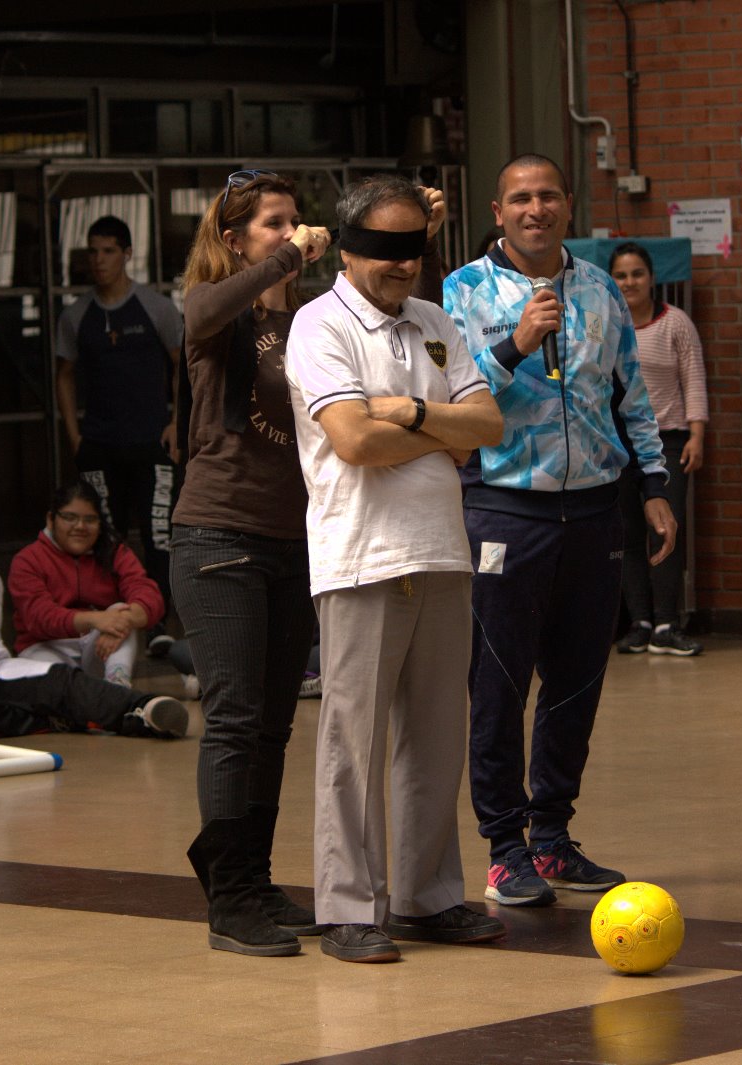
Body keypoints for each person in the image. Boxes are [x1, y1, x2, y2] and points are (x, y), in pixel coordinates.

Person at [442, 154, 677, 909]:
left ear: (568, 207)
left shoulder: (604, 289)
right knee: (501, 684)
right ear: (498, 209)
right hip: (506, 507)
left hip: (596, 509)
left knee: (576, 682)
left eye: (547, 196)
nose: (534, 209)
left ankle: (552, 839)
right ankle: (505, 846)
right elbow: (451, 392)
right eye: (519, 198)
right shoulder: (461, 291)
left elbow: (631, 397)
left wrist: (654, 487)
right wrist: (515, 342)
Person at [289, 174, 505, 962]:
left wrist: (407, 410)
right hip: (359, 556)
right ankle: (348, 903)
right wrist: (433, 431)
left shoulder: (437, 323)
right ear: (347, 249)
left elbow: (485, 424)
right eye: (384, 249)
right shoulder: (320, 327)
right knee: (355, 741)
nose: (401, 264)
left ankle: (427, 894)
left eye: (413, 248)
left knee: (438, 733)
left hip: (442, 549)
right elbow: (353, 441)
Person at [173, 168, 335, 958]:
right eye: (274, 223)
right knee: (234, 720)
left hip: (292, 538)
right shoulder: (217, 313)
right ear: (236, 239)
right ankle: (229, 897)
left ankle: (254, 877)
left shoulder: (305, 323)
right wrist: (279, 263)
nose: (291, 232)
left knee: (273, 725)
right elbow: (200, 307)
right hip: (218, 535)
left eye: (296, 221)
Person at [0, 503, 189, 741]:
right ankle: (58, 720)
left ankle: (145, 710)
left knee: (62, 680)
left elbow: (147, 593)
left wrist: (119, 618)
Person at [56, 216, 183, 651]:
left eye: (108, 250)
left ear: (127, 254)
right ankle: (109, 621)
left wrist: (176, 422)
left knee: (158, 535)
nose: (99, 260)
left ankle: (158, 623)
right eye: (93, 251)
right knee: (103, 536)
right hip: (100, 446)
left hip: (152, 443)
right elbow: (65, 375)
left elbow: (182, 368)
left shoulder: (156, 307)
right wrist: (75, 435)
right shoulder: (76, 315)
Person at [607, 243, 708, 656]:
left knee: (664, 531)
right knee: (627, 535)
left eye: (637, 274)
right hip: (617, 443)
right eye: (621, 275)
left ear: (651, 278)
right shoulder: (607, 326)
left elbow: (695, 381)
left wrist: (697, 435)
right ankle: (640, 622)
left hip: (668, 440)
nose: (629, 282)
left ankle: (668, 622)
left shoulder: (676, 324)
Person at [8, 482, 164, 690]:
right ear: (51, 519)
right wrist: (95, 620)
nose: (80, 526)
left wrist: (120, 621)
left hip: (97, 648)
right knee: (61, 688)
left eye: (90, 519)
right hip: (44, 647)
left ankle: (118, 692)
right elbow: (39, 618)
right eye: (70, 517)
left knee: (121, 611)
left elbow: (150, 596)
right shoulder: (28, 559)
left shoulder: (114, 552)